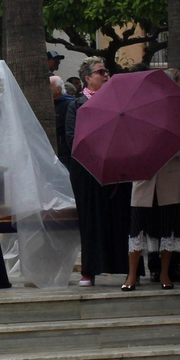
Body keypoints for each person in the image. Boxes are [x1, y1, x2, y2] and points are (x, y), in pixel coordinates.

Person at [65, 60, 116, 286]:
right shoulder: (76, 105)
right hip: (86, 170)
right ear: (88, 78)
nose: (106, 75)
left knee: (114, 216)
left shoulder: (115, 102)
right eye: (101, 72)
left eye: (106, 72)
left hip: (113, 168)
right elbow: (71, 137)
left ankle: (120, 265)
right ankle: (89, 270)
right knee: (89, 220)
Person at [125, 147, 180, 290]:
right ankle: (131, 274)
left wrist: (163, 146)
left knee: (167, 226)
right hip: (143, 176)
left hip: (169, 179)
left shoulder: (176, 123)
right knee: (137, 226)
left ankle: (164, 274)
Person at [51, 76, 72, 167]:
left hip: (64, 153)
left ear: (58, 90)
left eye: (50, 86)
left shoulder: (69, 104)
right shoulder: (49, 104)